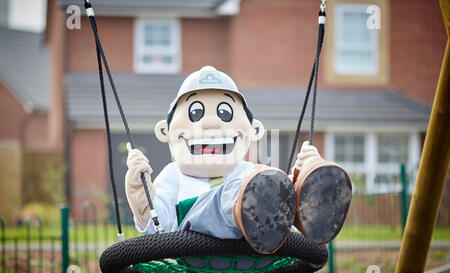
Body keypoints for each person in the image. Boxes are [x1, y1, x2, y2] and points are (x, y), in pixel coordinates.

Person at [125, 66, 351, 254]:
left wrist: (296, 180)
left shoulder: (252, 173)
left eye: (225, 113)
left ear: (254, 130)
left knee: (266, 184)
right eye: (196, 113)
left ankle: (304, 199)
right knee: (238, 190)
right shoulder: (174, 174)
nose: (211, 123)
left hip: (252, 248)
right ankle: (247, 204)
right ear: (166, 131)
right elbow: (157, 226)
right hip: (193, 247)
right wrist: (140, 192)